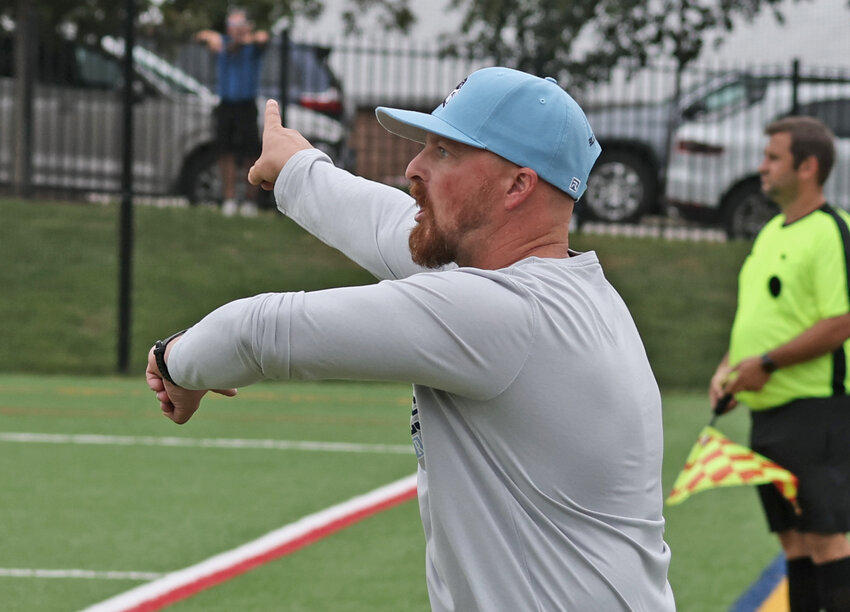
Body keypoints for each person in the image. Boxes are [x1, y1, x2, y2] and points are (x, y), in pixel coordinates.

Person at [146, 67, 675, 611]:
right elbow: (387, 226)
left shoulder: (503, 315)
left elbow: (257, 332)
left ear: (518, 185)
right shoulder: (556, 291)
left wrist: (173, 363)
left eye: (444, 152)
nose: (413, 168)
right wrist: (296, 169)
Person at [709, 116, 850, 612]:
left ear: (808, 167)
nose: (760, 167)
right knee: (794, 542)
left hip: (817, 414)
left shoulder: (831, 231)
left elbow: (842, 320)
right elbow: (758, 316)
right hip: (767, 417)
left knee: (828, 540)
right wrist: (727, 369)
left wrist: (765, 363)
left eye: (772, 158)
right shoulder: (769, 233)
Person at [195, 8, 269, 217]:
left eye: (239, 26)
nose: (235, 31)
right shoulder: (222, 46)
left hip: (246, 106)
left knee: (251, 154)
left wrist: (247, 39)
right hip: (226, 106)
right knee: (224, 152)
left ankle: (249, 201)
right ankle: (229, 198)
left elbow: (264, 37)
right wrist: (211, 36)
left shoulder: (252, 47)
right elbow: (200, 36)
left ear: (246, 27)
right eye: (232, 27)